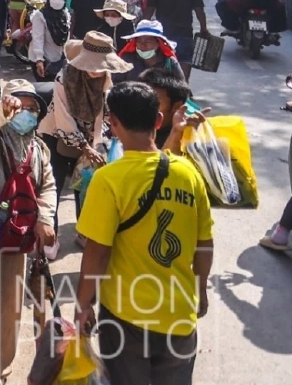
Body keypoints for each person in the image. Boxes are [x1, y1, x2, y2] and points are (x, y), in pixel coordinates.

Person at [74, 82, 214, 385]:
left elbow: (97, 252)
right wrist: (200, 291)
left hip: (126, 318)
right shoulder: (189, 175)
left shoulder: (109, 180)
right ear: (158, 121)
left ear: (113, 123)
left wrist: (83, 306)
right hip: (179, 313)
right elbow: (204, 243)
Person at [0, 81, 59, 385]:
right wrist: (0, 111)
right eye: (18, 106)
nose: (26, 113)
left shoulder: (39, 149)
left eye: (32, 108)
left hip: (18, 238)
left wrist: (45, 218)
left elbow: (47, 186)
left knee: (8, 307)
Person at [38, 33, 133, 228]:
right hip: (57, 133)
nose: (98, 71)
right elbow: (63, 117)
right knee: (53, 184)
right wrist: (84, 146)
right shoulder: (64, 77)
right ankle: (50, 232)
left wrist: (107, 134)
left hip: (90, 137)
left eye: (102, 66)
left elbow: (104, 109)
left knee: (85, 184)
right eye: (94, 65)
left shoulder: (105, 77)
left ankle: (84, 229)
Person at [144, 0, 210, 79]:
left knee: (161, 62)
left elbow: (148, 14)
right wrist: (204, 29)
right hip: (185, 34)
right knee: (185, 60)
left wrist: (143, 31)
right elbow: (200, 12)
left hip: (163, 35)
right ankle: (183, 88)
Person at [137, 67, 203, 153]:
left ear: (176, 106)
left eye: (152, 101)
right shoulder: (128, 123)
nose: (142, 106)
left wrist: (176, 133)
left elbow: (161, 165)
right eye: (140, 98)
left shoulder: (187, 137)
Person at [115, 21, 184, 86]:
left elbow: (181, 87)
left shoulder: (169, 62)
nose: (142, 45)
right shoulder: (127, 59)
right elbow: (114, 82)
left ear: (159, 43)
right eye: (139, 41)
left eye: (148, 41)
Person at [29, 0, 70, 81]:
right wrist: (39, 60)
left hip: (58, 58)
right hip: (43, 60)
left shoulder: (65, 15)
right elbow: (37, 38)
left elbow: (66, 37)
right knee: (45, 90)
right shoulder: (40, 15)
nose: (57, 0)